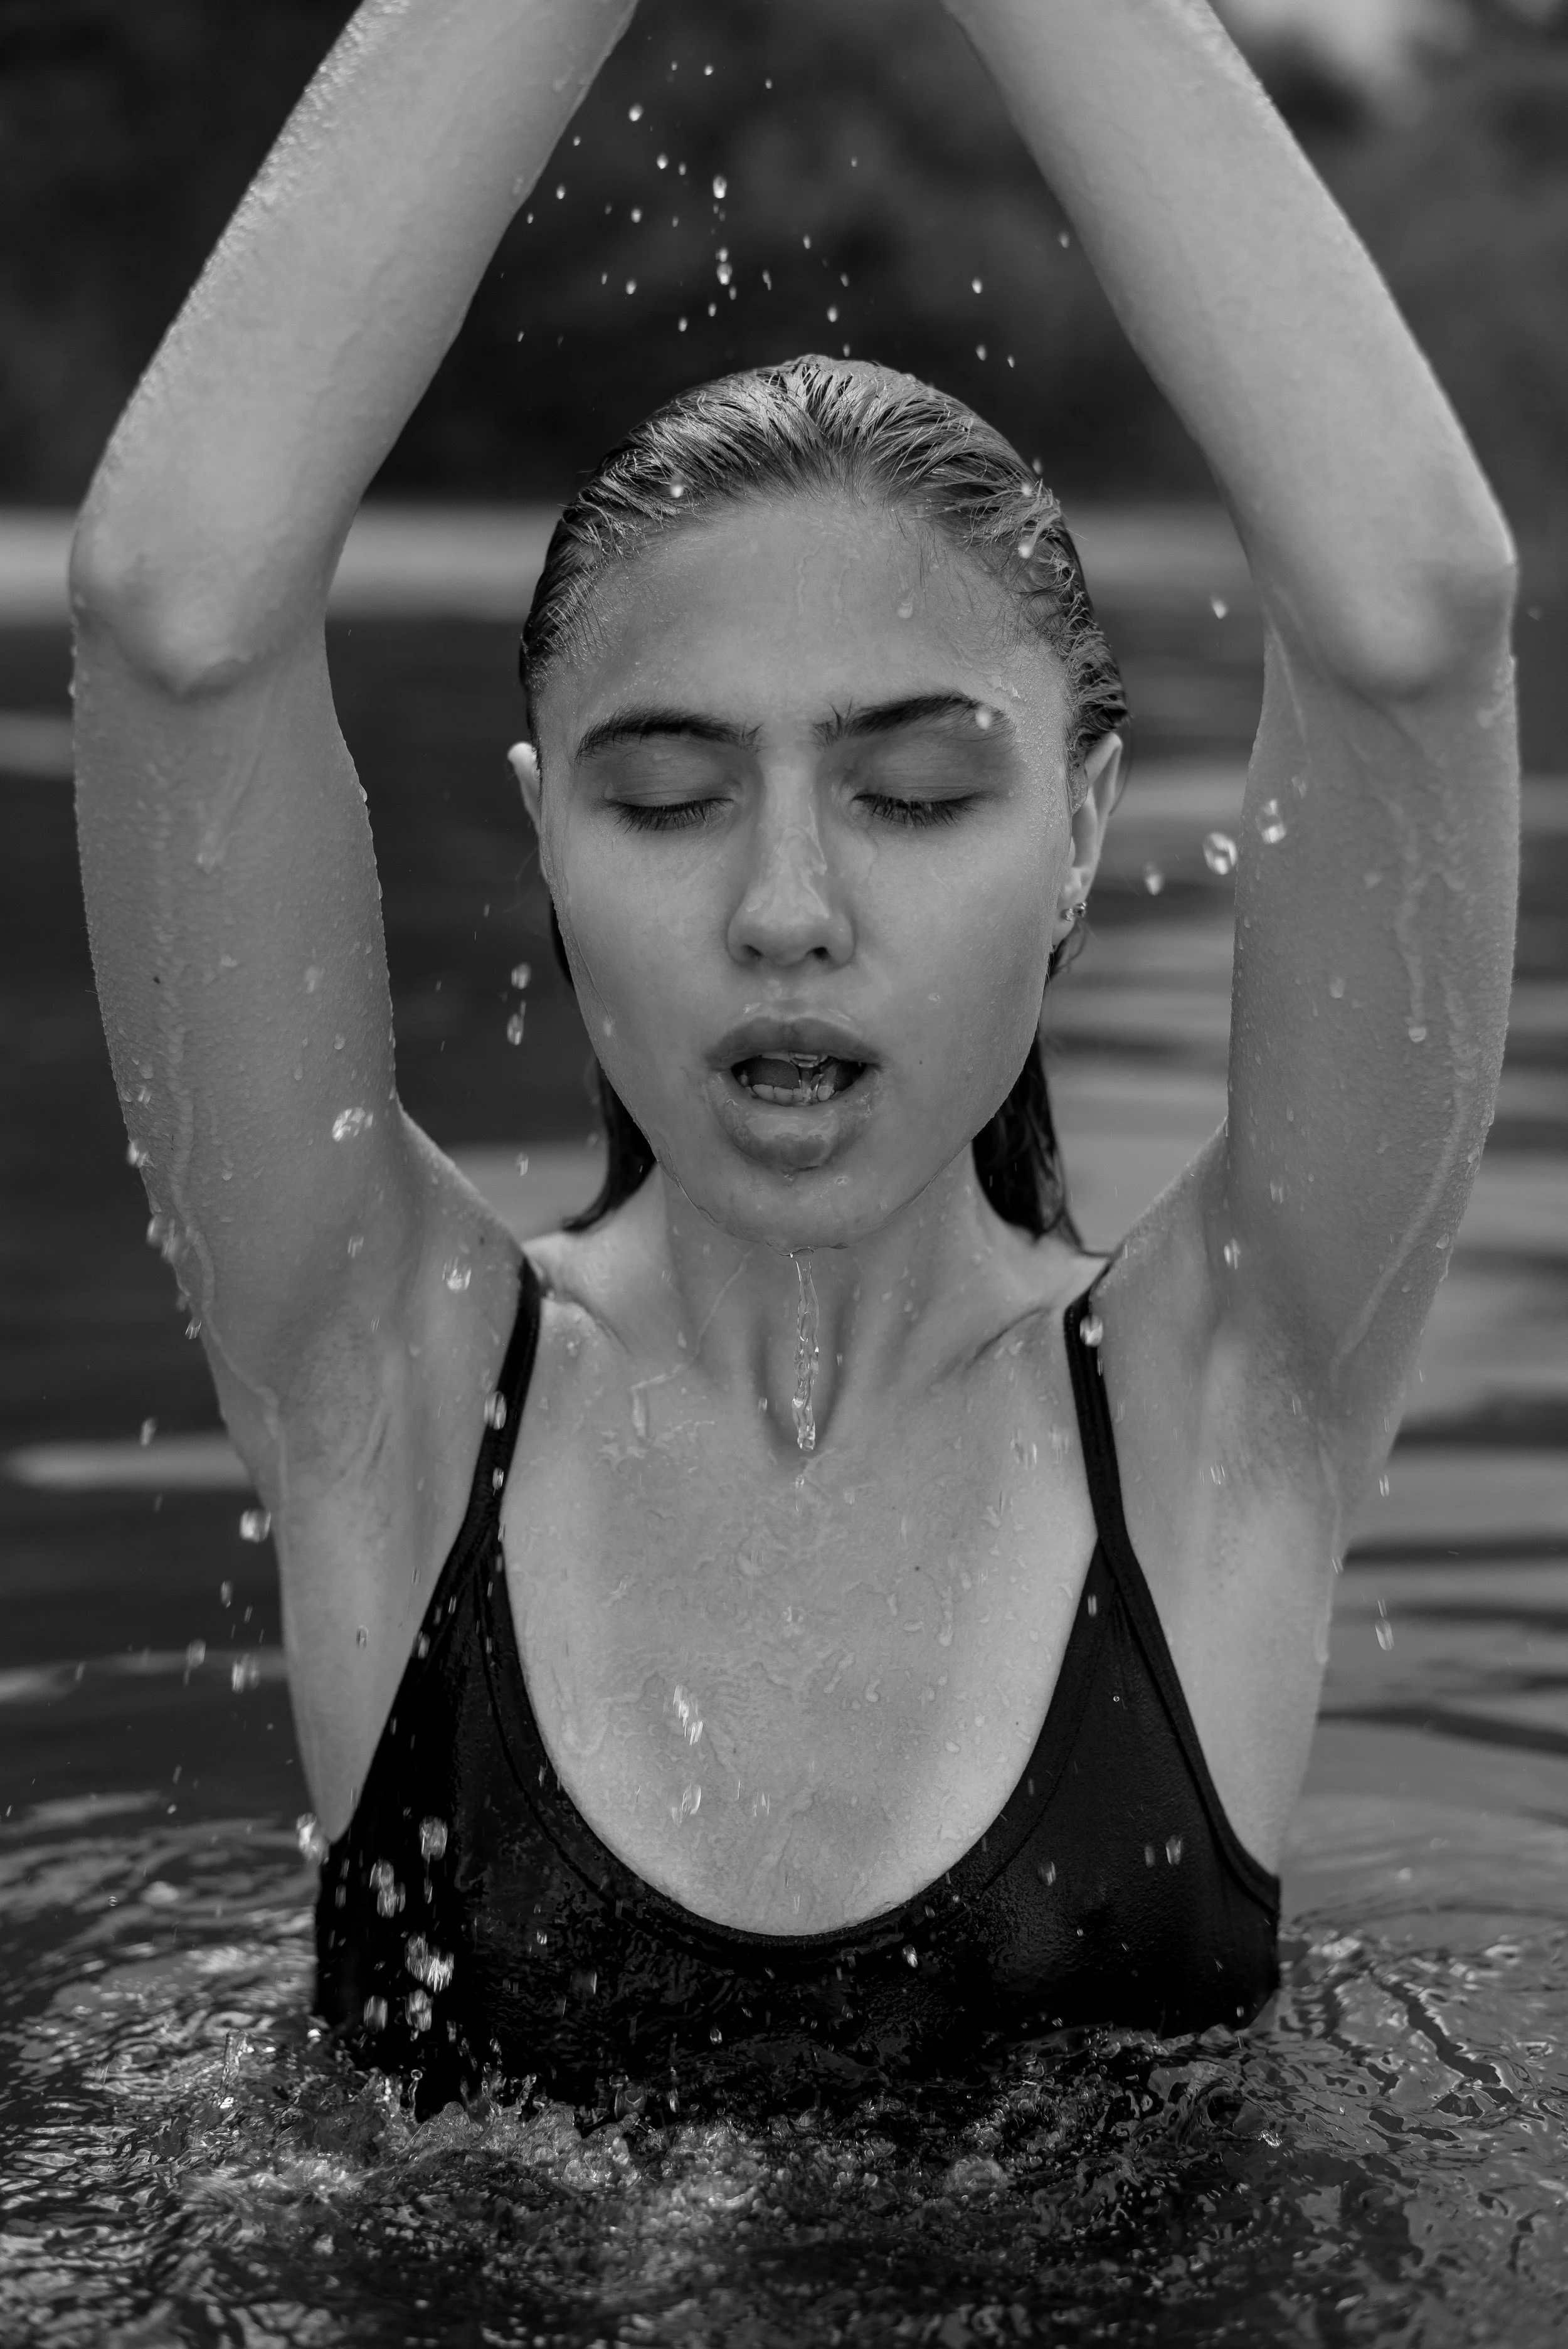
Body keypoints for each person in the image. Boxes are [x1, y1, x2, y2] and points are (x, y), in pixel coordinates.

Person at [72, 0, 1517, 2116]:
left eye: (917, 794)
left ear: (1084, 831)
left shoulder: (1236, 1395)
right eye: (663, 801)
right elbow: (177, 612)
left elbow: (1409, 616)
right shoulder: (384, 1370)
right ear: (545, 827)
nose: (784, 906)